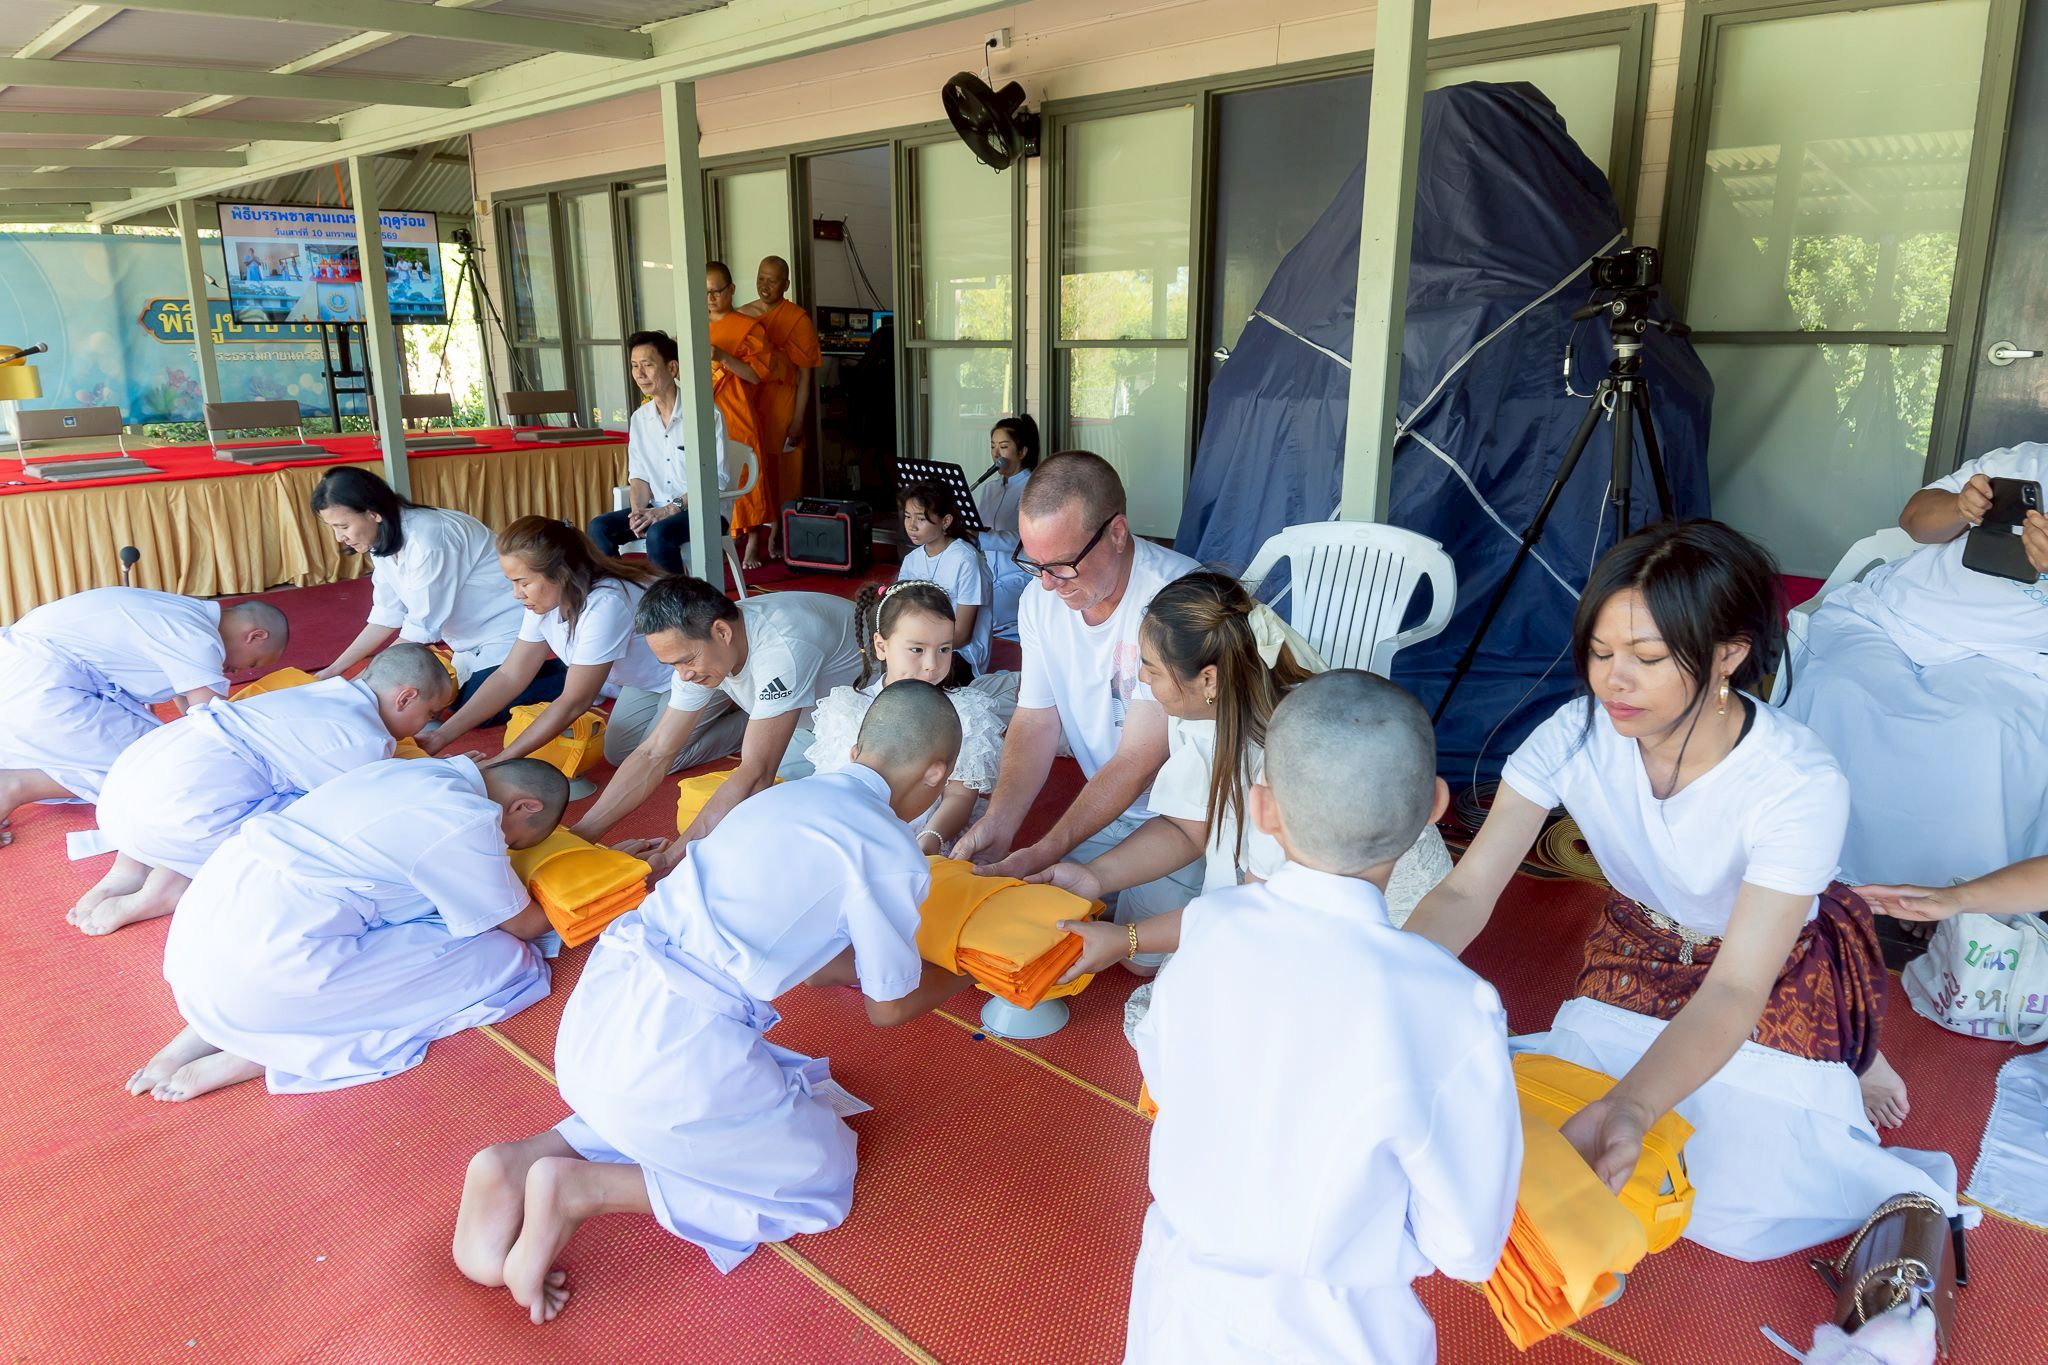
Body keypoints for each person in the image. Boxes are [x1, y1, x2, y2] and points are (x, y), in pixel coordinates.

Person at [1404, 520, 1952, 1261]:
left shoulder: (1797, 782)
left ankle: (1854, 1047)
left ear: (1729, 652)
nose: (1612, 681)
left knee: (1740, 1190)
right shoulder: (1573, 733)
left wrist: (1634, 1103)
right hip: (1644, 940)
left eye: (1648, 657)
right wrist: (1385, 975)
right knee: (1573, 1128)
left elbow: (1733, 988)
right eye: (1599, 652)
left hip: (1768, 960)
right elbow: (1469, 889)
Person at [452, 681, 973, 1323]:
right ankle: (579, 1188)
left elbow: (816, 968)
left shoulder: (783, 797)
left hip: (604, 1011)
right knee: (819, 1177)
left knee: (718, 1103)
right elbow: (887, 1007)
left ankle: (523, 1158)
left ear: (859, 746)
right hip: (677, 1046)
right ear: (937, 774)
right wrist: (969, 969)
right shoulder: (890, 852)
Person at [1125, 670, 1518, 1363]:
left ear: (1265, 808)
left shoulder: (1211, 928)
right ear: (1434, 804)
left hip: (1177, 1304)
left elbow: (1164, 1071)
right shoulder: (1451, 1004)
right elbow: (1467, 1246)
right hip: (1337, 1330)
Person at [1036, 572, 1452, 979]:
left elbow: (1263, 910)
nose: (1142, 677)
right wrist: (1095, 876)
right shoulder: (1202, 707)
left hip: (1367, 919)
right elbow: (1187, 829)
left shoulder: (1288, 764)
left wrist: (1127, 938)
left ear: (1208, 678)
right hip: (1285, 898)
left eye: (1152, 669)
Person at [129, 755, 567, 1104]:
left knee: (425, 910)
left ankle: (210, 1028)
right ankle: (265, 1048)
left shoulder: (410, 770)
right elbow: (524, 924)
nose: (505, 848)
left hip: (204, 927)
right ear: (525, 807)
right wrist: (604, 880)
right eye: (514, 840)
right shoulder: (468, 818)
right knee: (507, 957)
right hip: (268, 967)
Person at [954, 452, 1204, 926]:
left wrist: (1051, 843)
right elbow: (1036, 717)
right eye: (1035, 563)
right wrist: (1001, 822)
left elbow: (1138, 758)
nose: (1049, 585)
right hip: (1108, 811)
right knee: (1041, 909)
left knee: (1135, 955)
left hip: (1181, 820)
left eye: (1064, 564)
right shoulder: (1039, 599)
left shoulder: (1178, 599)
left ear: (1116, 532)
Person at [1783, 442, 2048, 888]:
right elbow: (1914, 520)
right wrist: (1960, 507)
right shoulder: (2023, 460)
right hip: (1893, 617)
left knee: (1981, 733)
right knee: (1837, 691)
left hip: (2011, 656)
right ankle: (1806, 865)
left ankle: (1942, 891)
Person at [67, 644, 452, 938]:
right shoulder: (363, 739)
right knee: (318, 826)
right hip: (173, 817)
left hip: (123, 787)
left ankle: (128, 871)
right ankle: (165, 889)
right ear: (405, 698)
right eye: (430, 714)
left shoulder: (315, 692)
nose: (426, 726)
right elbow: (363, 821)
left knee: (226, 776)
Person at [569, 577, 862, 858]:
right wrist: (580, 837)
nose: (683, 675)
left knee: (798, 823)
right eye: (673, 665)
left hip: (865, 726)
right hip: (807, 718)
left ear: (722, 632)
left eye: (686, 661)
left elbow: (756, 774)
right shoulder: (699, 649)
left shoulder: (781, 646)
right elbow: (654, 753)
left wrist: (673, 857)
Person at [422, 519, 744, 772]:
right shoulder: (543, 603)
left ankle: (746, 712)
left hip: (695, 671)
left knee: (661, 756)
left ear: (559, 574)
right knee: (621, 753)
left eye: (523, 582)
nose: (516, 594)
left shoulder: (604, 604)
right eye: (512, 583)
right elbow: (510, 676)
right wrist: (441, 735)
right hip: (650, 682)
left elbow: (574, 701)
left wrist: (503, 758)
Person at [0, 587, 286, 840]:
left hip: (16, 669)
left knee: (150, 757)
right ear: (256, 636)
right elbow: (211, 724)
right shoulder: (199, 638)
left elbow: (186, 700)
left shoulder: (182, 611)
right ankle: (16, 785)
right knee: (159, 769)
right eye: (255, 663)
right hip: (44, 687)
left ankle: (17, 784)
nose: (241, 672)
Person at [309, 467, 557, 725]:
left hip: (511, 628)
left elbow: (421, 627)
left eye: (343, 526)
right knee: (442, 699)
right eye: (333, 529)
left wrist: (361, 683)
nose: (340, 538)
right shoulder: (382, 540)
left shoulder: (429, 538)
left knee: (477, 711)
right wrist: (334, 671)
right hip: (467, 641)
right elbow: (386, 614)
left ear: (373, 513)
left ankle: (580, 677)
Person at [806, 581, 1003, 849]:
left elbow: (959, 795)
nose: (932, 665)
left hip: (934, 838)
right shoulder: (847, 710)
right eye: (917, 650)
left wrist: (929, 840)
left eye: (944, 649)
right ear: (881, 646)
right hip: (857, 838)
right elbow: (834, 790)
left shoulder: (965, 712)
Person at [585, 330, 731, 573]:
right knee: (599, 527)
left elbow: (715, 479)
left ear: (672, 368)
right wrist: (638, 513)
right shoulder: (640, 419)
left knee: (658, 535)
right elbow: (639, 476)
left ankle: (673, 607)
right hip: (656, 507)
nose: (639, 374)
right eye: (634, 366)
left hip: (703, 511)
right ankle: (620, 594)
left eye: (647, 365)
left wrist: (668, 510)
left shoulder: (705, 415)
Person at [740, 255, 824, 561]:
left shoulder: (797, 319)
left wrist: (798, 418)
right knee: (752, 468)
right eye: (761, 278)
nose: (765, 285)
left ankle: (778, 534)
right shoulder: (744, 314)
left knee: (783, 472)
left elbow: (805, 375)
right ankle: (750, 535)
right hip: (750, 403)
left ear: (785, 284)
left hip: (784, 402)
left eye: (772, 280)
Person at [705, 261, 775, 569]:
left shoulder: (749, 327)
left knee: (747, 472)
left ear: (731, 290)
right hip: (706, 410)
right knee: (714, 471)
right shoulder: (695, 325)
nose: (710, 298)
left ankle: (754, 542)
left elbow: (756, 375)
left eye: (716, 291)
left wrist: (722, 356)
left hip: (738, 408)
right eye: (705, 292)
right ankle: (724, 534)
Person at [894, 479, 992, 676]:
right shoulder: (911, 560)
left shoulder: (966, 559)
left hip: (959, 653)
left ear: (945, 521)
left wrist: (917, 648)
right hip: (922, 646)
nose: (912, 526)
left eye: (920, 519)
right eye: (907, 517)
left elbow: (963, 635)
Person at [977, 415, 1039, 641]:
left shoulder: (1034, 489)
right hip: (989, 576)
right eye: (993, 447)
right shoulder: (989, 489)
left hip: (1019, 577)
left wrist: (980, 538)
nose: (996, 453)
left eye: (1003, 447)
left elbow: (1028, 540)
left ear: (1022, 452)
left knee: (980, 616)